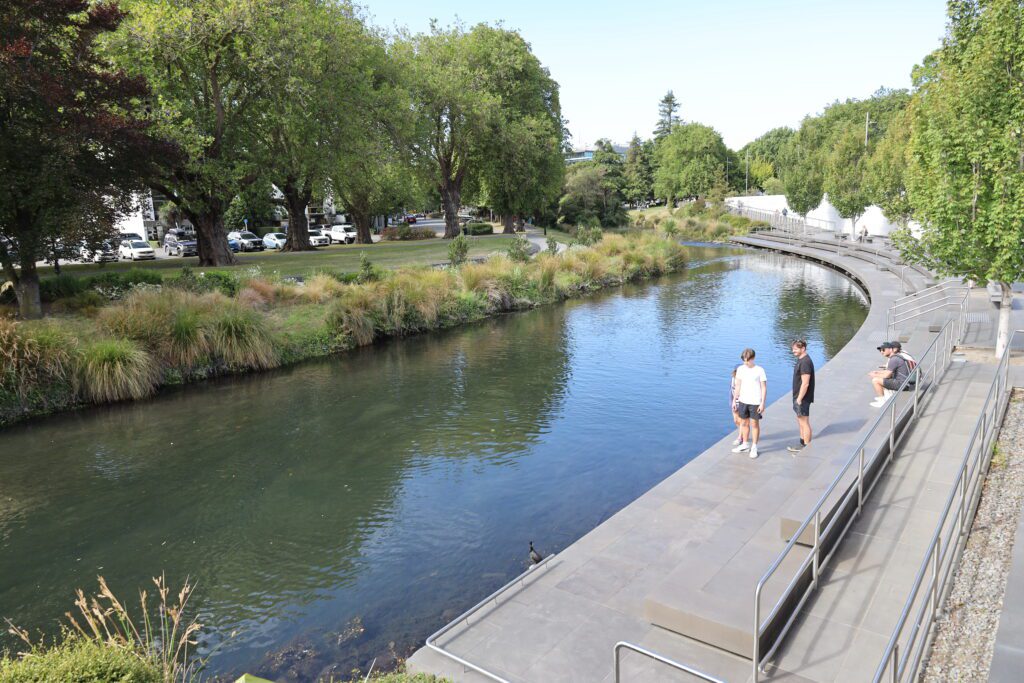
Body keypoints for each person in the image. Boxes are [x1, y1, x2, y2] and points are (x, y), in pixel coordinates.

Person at [732, 348, 767, 458]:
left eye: (748, 360)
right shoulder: (741, 369)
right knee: (744, 423)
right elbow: (737, 386)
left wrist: (762, 403)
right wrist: (734, 400)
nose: (746, 363)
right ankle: (745, 444)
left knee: (754, 424)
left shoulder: (759, 370)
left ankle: (754, 447)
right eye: (744, 360)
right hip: (743, 401)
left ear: (753, 358)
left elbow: (764, 388)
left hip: (755, 401)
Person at [787, 340, 815, 453]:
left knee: (804, 421)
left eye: (796, 349)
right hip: (799, 397)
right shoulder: (802, 360)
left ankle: (806, 445)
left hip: (802, 398)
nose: (793, 350)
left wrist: (799, 399)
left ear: (803, 349)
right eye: (793, 348)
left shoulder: (805, 362)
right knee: (800, 419)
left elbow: (805, 383)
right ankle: (802, 442)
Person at [869, 342, 910, 407]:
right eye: (880, 350)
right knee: (881, 378)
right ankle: (885, 397)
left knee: (875, 380)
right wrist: (878, 373)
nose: (881, 352)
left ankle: (882, 401)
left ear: (891, 349)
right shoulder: (895, 358)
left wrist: (875, 375)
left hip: (901, 384)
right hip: (904, 383)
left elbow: (887, 375)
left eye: (883, 350)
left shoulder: (894, 359)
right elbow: (888, 372)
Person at [731, 365, 747, 447]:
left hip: (742, 402)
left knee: (741, 421)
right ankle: (742, 433)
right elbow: (731, 390)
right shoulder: (733, 379)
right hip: (734, 402)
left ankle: (740, 437)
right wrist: (732, 402)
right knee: (736, 420)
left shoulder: (745, 380)